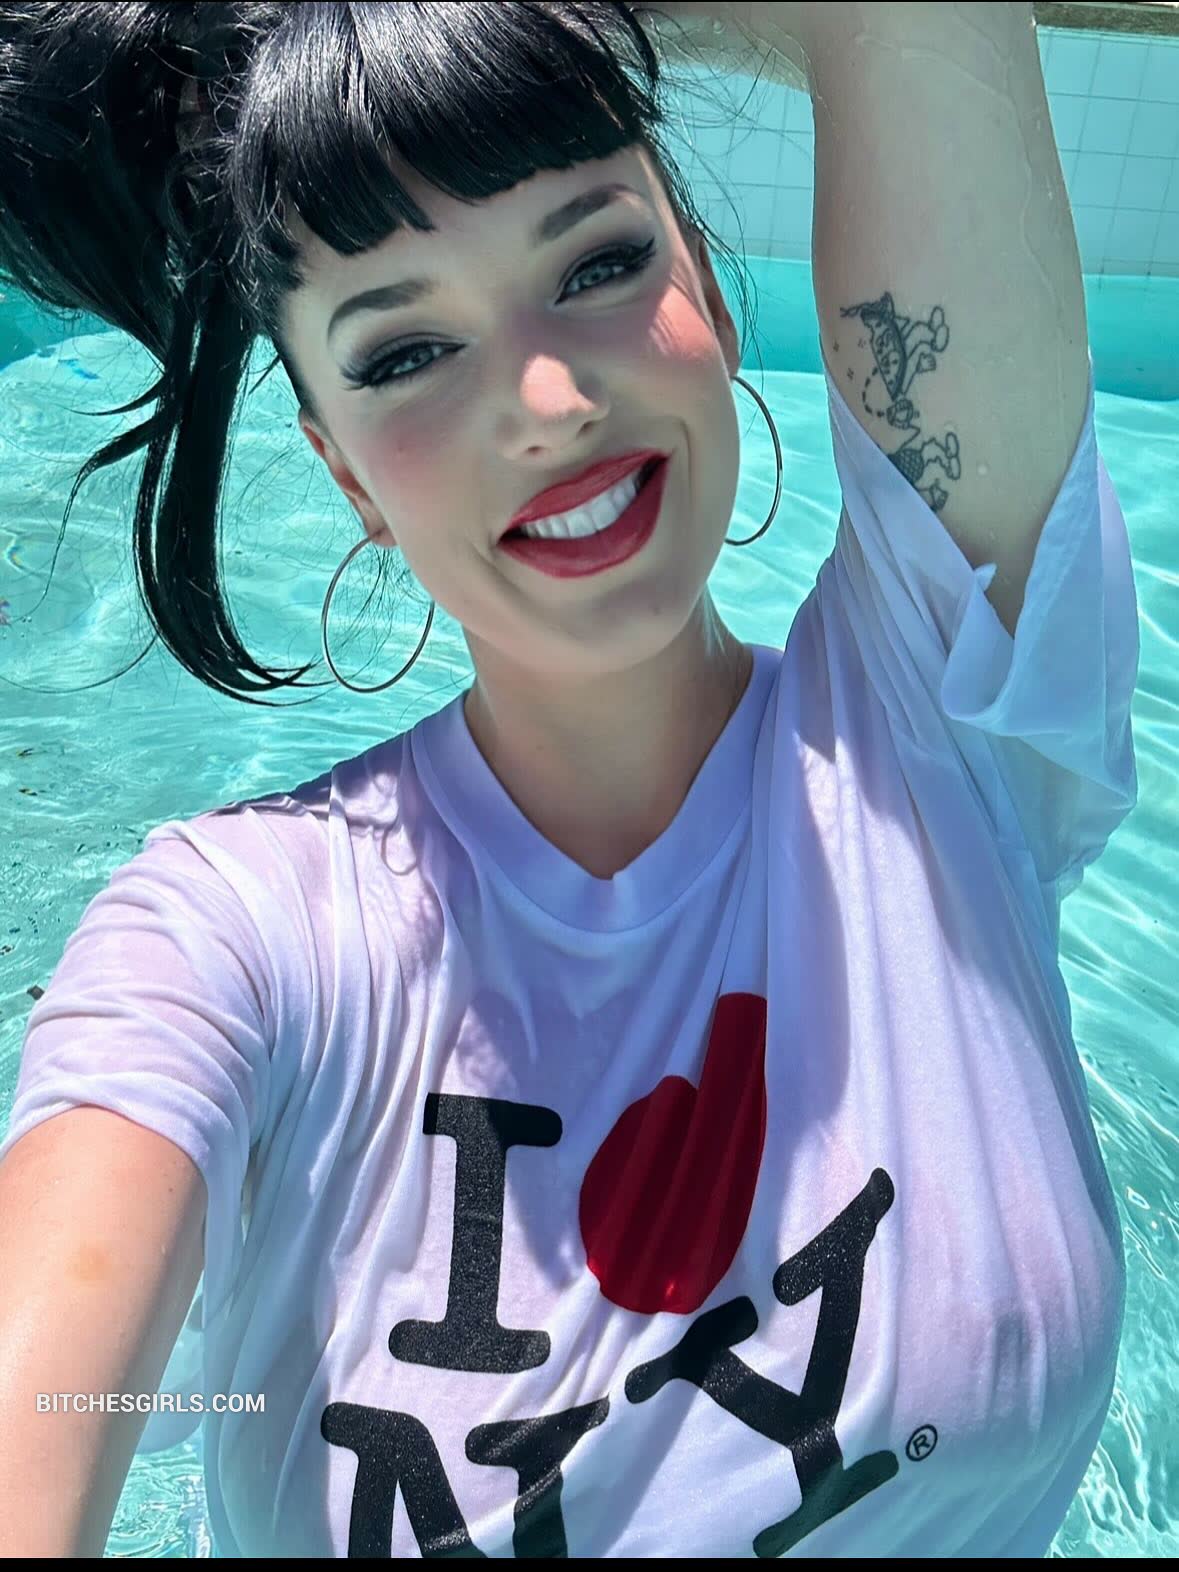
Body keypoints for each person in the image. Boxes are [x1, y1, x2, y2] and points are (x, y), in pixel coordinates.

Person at [0, 1, 1139, 1559]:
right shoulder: (237, 936)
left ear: (709, 293)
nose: (550, 407)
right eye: (406, 352)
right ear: (346, 473)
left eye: (599, 261)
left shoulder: (939, 735)